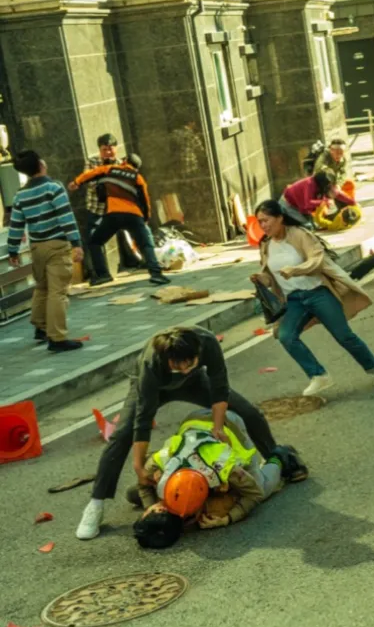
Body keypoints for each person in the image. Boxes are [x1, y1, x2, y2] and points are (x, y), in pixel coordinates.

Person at [76, 326, 306, 540]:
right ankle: (96, 504)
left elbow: (219, 388)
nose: (184, 369)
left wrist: (218, 427)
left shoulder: (207, 342)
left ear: (198, 353)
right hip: (154, 389)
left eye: (190, 364)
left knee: (248, 412)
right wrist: (139, 466)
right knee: (122, 435)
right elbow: (143, 418)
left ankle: (279, 457)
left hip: (195, 383)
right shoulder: (151, 362)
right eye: (178, 366)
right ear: (167, 359)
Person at [251, 200, 374, 397]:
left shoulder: (299, 234)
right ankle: (318, 375)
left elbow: (317, 260)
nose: (263, 225)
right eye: (259, 222)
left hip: (317, 293)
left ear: (279, 218)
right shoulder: (265, 245)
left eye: (266, 220)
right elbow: (271, 277)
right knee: (286, 336)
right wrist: (261, 279)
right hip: (294, 300)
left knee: (344, 336)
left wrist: (296, 270)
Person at [130, 409, 296, 549]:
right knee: (133, 493)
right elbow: (143, 483)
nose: (162, 504)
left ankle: (280, 457)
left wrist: (228, 518)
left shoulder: (225, 470)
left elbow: (255, 494)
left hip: (228, 423)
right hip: (192, 421)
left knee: (262, 486)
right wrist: (150, 504)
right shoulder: (159, 464)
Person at [6, 150, 84, 353]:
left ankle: (41, 327)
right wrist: (76, 243)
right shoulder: (53, 188)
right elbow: (66, 217)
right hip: (57, 245)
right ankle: (57, 338)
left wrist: (13, 250)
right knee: (58, 292)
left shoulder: (20, 195)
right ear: (41, 164)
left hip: (37, 248)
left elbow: (16, 225)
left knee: (42, 287)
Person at [68, 153, 170, 286]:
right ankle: (156, 274)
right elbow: (145, 202)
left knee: (95, 242)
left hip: (113, 215)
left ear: (125, 161)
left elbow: (91, 174)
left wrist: (76, 182)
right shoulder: (138, 178)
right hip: (134, 216)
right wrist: (145, 219)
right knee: (146, 244)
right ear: (136, 167)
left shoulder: (110, 169)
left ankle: (103, 275)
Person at [280, 171, 356, 229]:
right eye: (329, 186)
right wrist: (325, 202)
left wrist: (352, 202)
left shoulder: (324, 185)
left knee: (315, 225)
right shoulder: (309, 184)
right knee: (307, 227)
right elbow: (308, 203)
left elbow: (337, 194)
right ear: (323, 185)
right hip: (288, 204)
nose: (331, 187)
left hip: (301, 206)